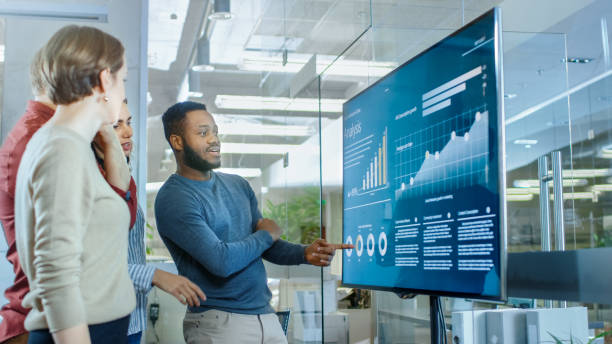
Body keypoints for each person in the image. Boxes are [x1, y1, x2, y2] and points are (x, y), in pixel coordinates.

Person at [154, 101, 353, 344]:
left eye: (215, 131)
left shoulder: (238, 185)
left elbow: (264, 246)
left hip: (265, 316)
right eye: (203, 133)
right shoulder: (175, 198)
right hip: (218, 323)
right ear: (177, 142)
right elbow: (221, 261)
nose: (214, 139)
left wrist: (304, 253)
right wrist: (267, 235)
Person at [14, 25, 135, 344]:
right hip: (83, 332)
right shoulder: (61, 149)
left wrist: (105, 130)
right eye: (122, 80)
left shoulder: (67, 142)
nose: (122, 92)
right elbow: (55, 274)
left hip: (99, 328)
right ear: (104, 79)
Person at [91, 99, 206, 344]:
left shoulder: (123, 180)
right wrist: (156, 276)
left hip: (131, 316)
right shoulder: (88, 184)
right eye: (116, 125)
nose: (128, 132)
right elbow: (91, 263)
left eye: (129, 122)